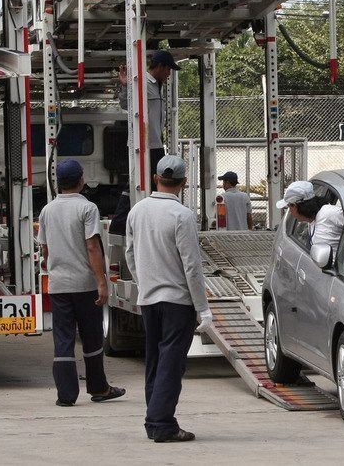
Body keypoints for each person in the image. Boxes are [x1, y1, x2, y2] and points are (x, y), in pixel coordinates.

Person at [125, 155, 211, 443]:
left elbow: (129, 254)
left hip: (149, 300)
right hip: (177, 301)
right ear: (184, 183)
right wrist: (203, 308)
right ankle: (161, 423)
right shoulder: (182, 215)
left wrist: (144, 283)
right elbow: (192, 265)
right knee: (171, 364)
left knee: (156, 361)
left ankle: (155, 419)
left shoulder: (137, 211)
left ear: (155, 178)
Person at [38, 159, 125, 407]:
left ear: (58, 183)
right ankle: (98, 388)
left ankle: (66, 395)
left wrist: (51, 266)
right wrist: (102, 281)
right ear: (81, 181)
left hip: (59, 287)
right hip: (85, 285)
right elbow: (92, 246)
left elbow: (44, 249)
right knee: (92, 337)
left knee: (63, 340)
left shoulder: (47, 210)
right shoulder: (87, 208)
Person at [118, 49, 182, 190]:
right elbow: (125, 104)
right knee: (147, 184)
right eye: (169, 69)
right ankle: (123, 212)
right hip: (146, 145)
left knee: (154, 184)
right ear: (160, 66)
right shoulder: (143, 82)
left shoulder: (156, 85)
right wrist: (125, 86)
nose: (169, 73)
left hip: (155, 144)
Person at [276, 180, 344, 250]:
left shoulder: (329, 213)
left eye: (289, 206)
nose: (289, 211)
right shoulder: (311, 221)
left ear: (295, 205)